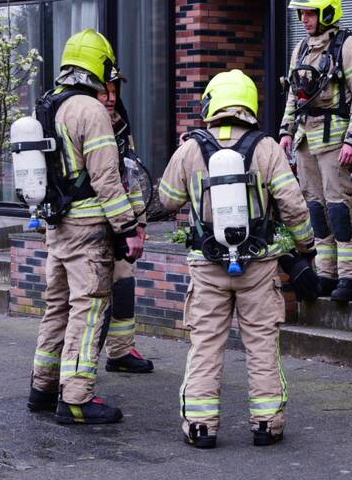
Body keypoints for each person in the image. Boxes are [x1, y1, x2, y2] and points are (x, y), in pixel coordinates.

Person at [158, 70, 315, 448]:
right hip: (258, 266)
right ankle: (267, 424)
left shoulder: (191, 148)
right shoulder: (266, 148)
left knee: (206, 345)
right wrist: (306, 247)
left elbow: (165, 200)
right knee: (261, 344)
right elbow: (293, 206)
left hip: (207, 265)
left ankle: (200, 426)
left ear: (211, 104)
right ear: (250, 106)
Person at [25, 28, 145, 425]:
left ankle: (42, 387)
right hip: (88, 229)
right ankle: (76, 397)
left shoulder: (49, 105)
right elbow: (107, 178)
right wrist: (128, 227)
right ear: (100, 65)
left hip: (56, 228)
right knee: (89, 309)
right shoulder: (90, 110)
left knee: (56, 307)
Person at [280, 0, 352, 302]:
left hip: (335, 143)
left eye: (310, 13)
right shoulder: (301, 49)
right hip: (306, 142)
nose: (304, 19)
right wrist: (285, 133)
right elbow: (294, 95)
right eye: (302, 13)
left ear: (328, 13)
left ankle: (351, 277)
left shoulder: (349, 48)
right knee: (315, 210)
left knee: (339, 210)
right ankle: (326, 274)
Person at [95, 78, 154, 374]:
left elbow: (131, 178)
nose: (110, 98)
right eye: (104, 91)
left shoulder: (121, 127)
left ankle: (120, 351)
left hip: (122, 222)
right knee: (91, 296)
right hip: (92, 222)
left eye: (114, 92)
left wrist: (139, 222)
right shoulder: (88, 125)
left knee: (124, 284)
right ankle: (78, 365)